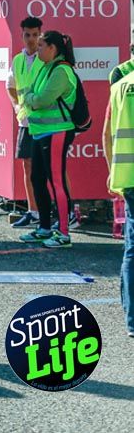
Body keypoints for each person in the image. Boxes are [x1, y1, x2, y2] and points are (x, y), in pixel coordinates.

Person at [19, 31, 79, 249]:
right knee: (37, 179)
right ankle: (44, 227)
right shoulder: (46, 67)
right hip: (41, 131)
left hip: (57, 132)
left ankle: (63, 232)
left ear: (53, 48)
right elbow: (33, 94)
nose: (38, 48)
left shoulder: (61, 70)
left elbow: (41, 98)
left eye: (42, 45)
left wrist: (30, 99)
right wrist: (31, 98)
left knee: (56, 182)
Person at [102, 57, 134, 338]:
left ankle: (132, 318)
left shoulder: (120, 82)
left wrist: (113, 172)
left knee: (132, 248)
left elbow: (107, 132)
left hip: (128, 175)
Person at [7, 17, 45, 229]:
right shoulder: (18, 60)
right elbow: (10, 86)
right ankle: (34, 212)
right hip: (26, 122)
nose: (31, 39)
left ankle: (65, 212)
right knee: (27, 167)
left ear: (41, 34)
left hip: (48, 123)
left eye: (35, 35)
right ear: (21, 35)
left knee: (53, 169)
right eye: (27, 35)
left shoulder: (47, 57)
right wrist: (16, 106)